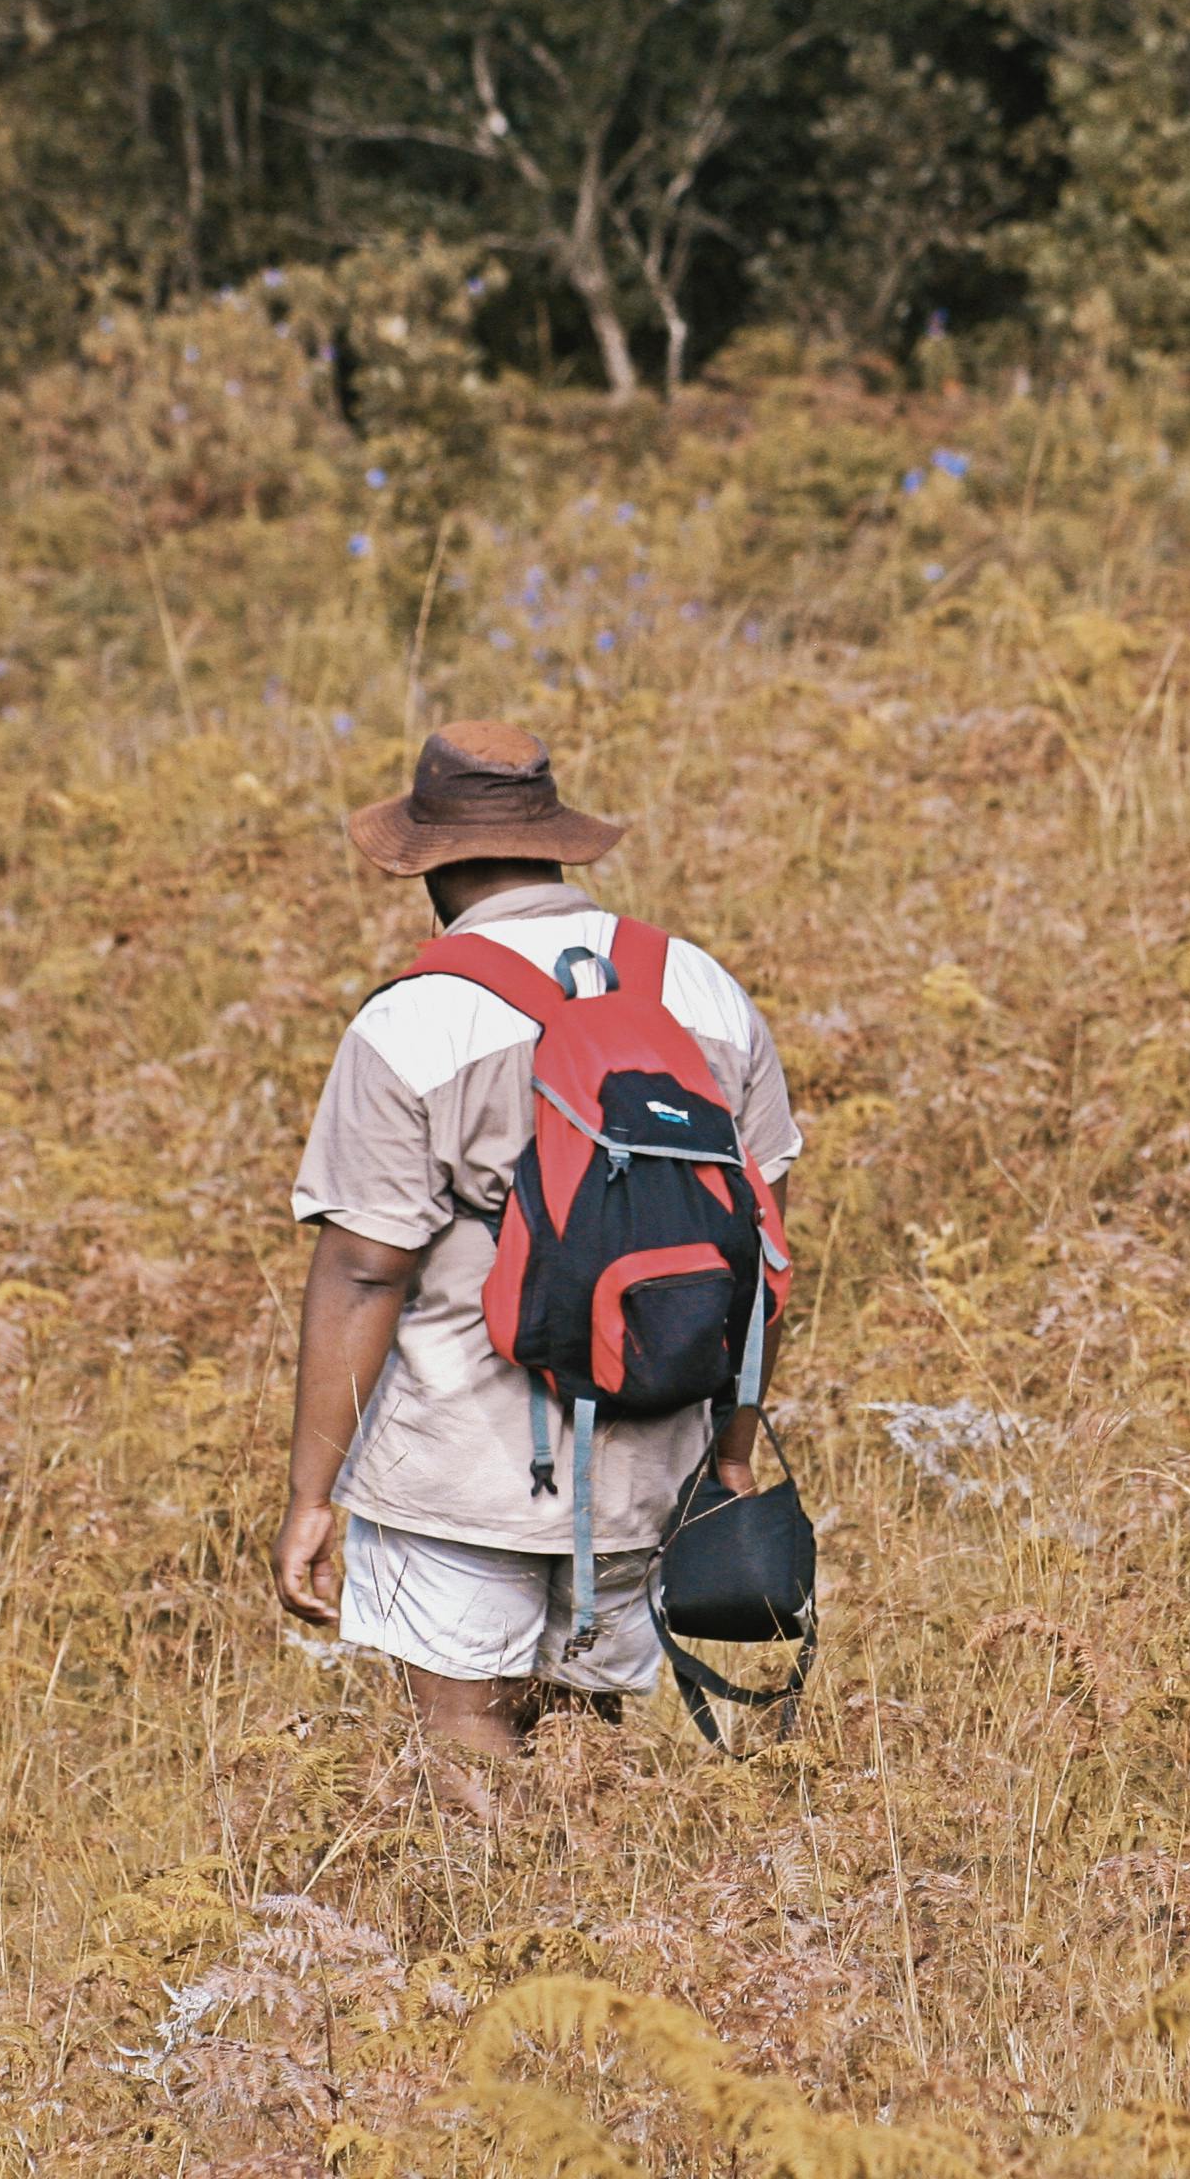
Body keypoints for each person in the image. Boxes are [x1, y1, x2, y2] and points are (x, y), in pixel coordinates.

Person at [272, 721, 801, 1757]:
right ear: (556, 841)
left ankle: (494, 1911)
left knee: (462, 1733)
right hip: (655, 1444)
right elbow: (765, 1258)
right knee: (584, 1747)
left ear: (428, 863)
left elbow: (367, 1270)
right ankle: (581, 1913)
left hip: (458, 1463)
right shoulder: (704, 990)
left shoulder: (413, 1022)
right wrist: (727, 1453)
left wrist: (311, 1493)